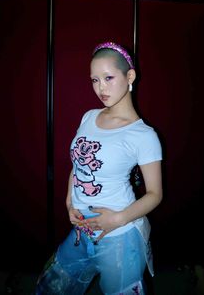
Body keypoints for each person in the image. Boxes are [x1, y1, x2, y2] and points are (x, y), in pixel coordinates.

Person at [36, 41, 163, 295]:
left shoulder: (143, 135)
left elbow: (155, 194)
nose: (100, 88)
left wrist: (116, 219)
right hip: (82, 229)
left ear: (130, 76)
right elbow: (78, 166)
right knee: (51, 287)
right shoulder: (89, 116)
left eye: (108, 77)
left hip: (120, 235)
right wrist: (69, 203)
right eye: (94, 80)